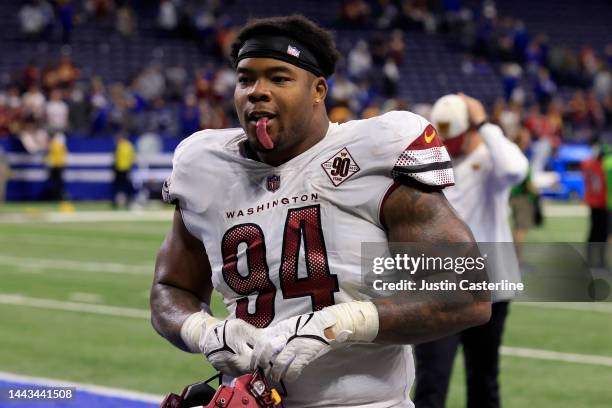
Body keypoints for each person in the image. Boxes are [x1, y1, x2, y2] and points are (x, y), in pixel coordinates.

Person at [150, 15, 491, 408]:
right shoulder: (203, 165)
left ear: (318, 90)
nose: (257, 92)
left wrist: (342, 323)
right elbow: (170, 289)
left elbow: (468, 292)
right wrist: (203, 329)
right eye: (246, 79)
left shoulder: (375, 150)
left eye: (279, 78)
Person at [415, 93, 528, 408]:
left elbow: (517, 169)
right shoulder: (434, 163)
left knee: (483, 382)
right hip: (439, 289)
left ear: (471, 130)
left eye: (455, 138)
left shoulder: (493, 164)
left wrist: (485, 125)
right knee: (429, 384)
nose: (448, 146)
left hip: (489, 288)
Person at [581, 144, 608, 268]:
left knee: (594, 232)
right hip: (601, 203)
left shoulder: (589, 165)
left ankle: (591, 260)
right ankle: (600, 261)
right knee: (601, 233)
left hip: (593, 202)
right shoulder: (602, 166)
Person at [112, 132, 135, 208]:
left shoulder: (123, 146)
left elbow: (116, 158)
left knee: (123, 186)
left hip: (122, 169)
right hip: (122, 169)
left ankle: (128, 200)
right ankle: (125, 201)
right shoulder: (126, 146)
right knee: (122, 186)